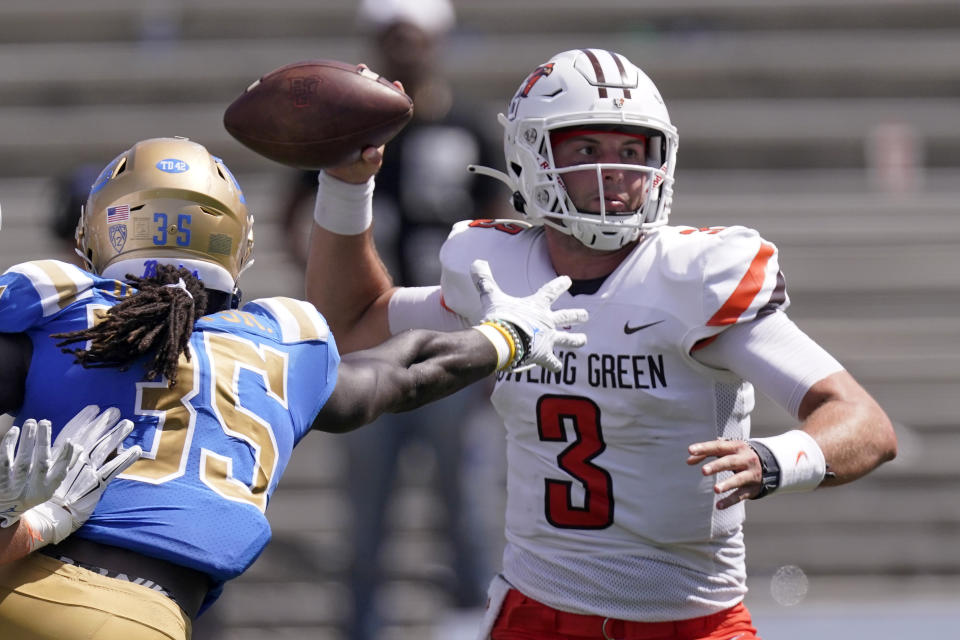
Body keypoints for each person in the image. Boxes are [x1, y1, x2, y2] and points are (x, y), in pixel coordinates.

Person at [305, 48, 898, 640]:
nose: (615, 171)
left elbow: (864, 424)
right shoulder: (497, 271)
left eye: (632, 151)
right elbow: (353, 321)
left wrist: (774, 461)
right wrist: (344, 185)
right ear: (531, 155)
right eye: (587, 150)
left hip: (690, 621)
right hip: (536, 612)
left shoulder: (694, 278)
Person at [0, 136, 587, 640]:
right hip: (138, 613)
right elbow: (401, 374)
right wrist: (503, 338)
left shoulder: (59, 314)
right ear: (237, 246)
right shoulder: (277, 347)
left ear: (98, 230)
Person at [281, 1, 511, 636]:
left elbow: (502, 218)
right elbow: (297, 211)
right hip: (366, 336)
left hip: (449, 336)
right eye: (392, 37)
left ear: (435, 41)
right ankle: (361, 628)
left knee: (466, 510)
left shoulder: (465, 126)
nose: (404, 49)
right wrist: (322, 279)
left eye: (412, 37)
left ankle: (475, 622)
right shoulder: (347, 126)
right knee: (366, 510)